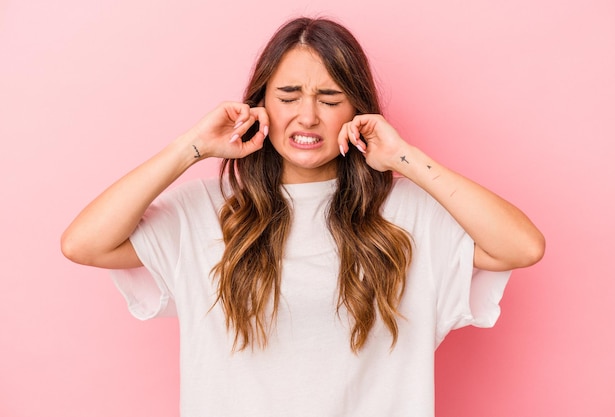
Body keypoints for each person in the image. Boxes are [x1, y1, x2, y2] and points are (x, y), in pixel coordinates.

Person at [61, 16, 545, 417]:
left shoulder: (408, 214)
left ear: (358, 108)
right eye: (289, 96)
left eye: (330, 99)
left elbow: (522, 246)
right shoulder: (206, 211)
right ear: (261, 104)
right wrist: (191, 148)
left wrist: (403, 158)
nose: (308, 116)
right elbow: (84, 243)